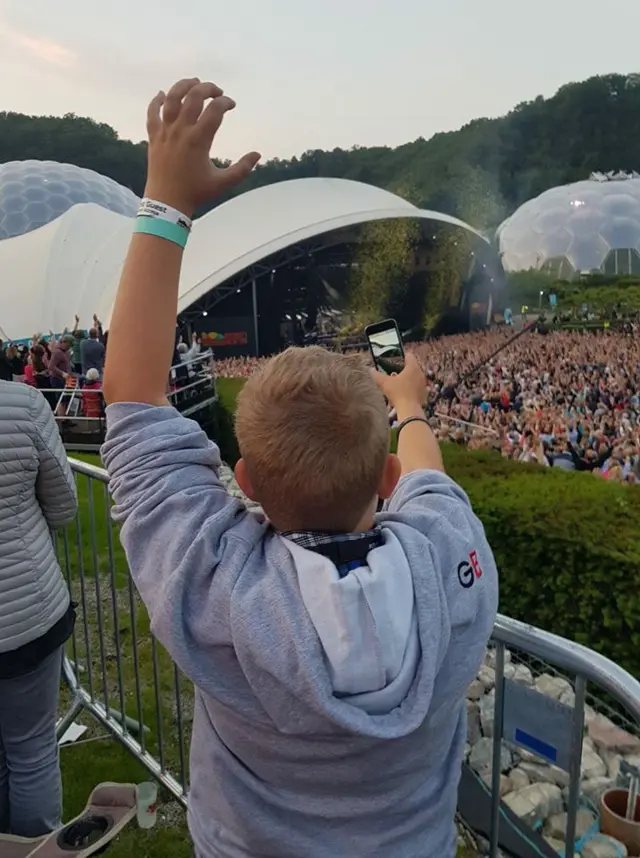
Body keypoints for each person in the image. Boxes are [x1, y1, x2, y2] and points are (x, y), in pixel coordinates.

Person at [101, 78, 498, 858]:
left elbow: (130, 396)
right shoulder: (453, 565)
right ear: (385, 481)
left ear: (242, 484)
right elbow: (428, 478)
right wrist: (406, 400)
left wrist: (166, 197)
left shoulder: (213, 592)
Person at [0, 380, 78, 836]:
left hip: (25, 611)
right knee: (31, 750)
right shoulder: (23, 403)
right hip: (27, 614)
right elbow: (64, 506)